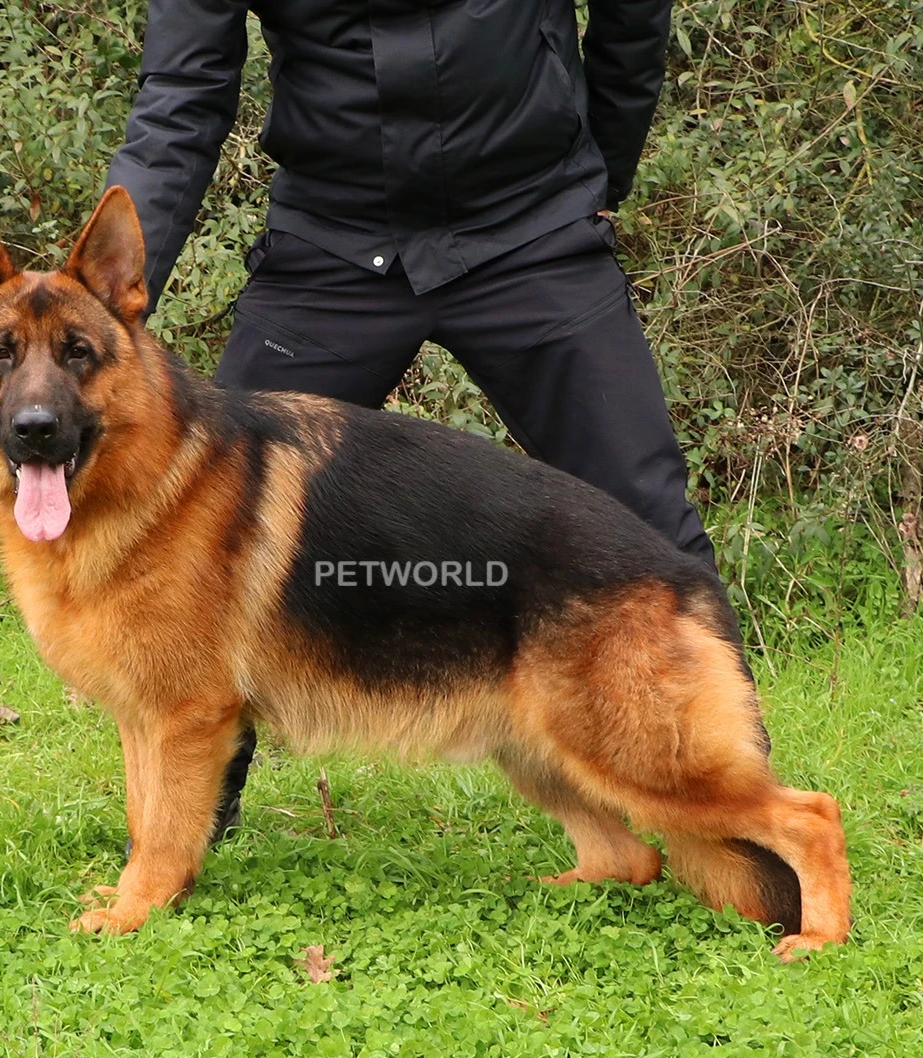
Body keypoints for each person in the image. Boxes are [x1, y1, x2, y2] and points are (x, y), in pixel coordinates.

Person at [106, 0, 718, 840]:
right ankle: (195, 826)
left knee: (648, 516)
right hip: (333, 242)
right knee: (205, 528)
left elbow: (634, 17)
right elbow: (181, 92)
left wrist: (593, 182)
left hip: (533, 230)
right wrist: (102, 308)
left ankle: (734, 808)